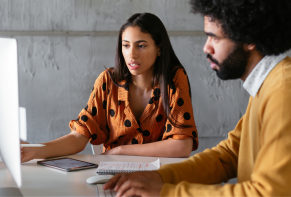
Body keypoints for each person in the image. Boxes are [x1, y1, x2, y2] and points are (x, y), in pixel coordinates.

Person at [104, 0, 291, 197]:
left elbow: (267, 194)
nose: (206, 48)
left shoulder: (287, 92)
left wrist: (167, 192)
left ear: (248, 38)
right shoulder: (269, 85)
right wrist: (159, 178)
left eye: (214, 37)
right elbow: (227, 157)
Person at [21, 13, 199, 162]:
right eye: (126, 45)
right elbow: (79, 136)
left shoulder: (174, 80)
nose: (132, 54)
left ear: (159, 48)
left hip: (160, 176)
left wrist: (121, 151)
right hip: (113, 174)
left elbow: (182, 146)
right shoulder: (107, 82)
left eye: (142, 46)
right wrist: (37, 150)